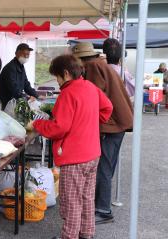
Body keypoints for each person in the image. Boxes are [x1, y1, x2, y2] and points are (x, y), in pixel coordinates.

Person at [27, 55, 113, 239]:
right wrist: (88, 122)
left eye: (57, 77)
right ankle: (86, 234)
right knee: (87, 198)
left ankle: (70, 236)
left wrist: (36, 125)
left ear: (65, 73)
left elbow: (59, 127)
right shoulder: (91, 87)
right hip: (92, 154)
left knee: (71, 201)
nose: (57, 82)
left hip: (74, 158)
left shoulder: (68, 93)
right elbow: (108, 108)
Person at [72, 42, 133, 225]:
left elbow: (93, 96)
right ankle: (100, 205)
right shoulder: (100, 64)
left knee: (103, 168)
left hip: (112, 125)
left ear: (81, 59)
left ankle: (103, 210)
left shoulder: (93, 67)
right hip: (118, 122)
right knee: (106, 167)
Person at [0, 43, 39, 109]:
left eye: (28, 54)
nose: (26, 56)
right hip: (8, 104)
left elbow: (26, 84)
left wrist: (36, 95)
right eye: (24, 54)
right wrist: (27, 97)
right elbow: (14, 89)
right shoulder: (10, 68)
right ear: (16, 53)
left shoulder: (21, 66)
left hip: (16, 101)